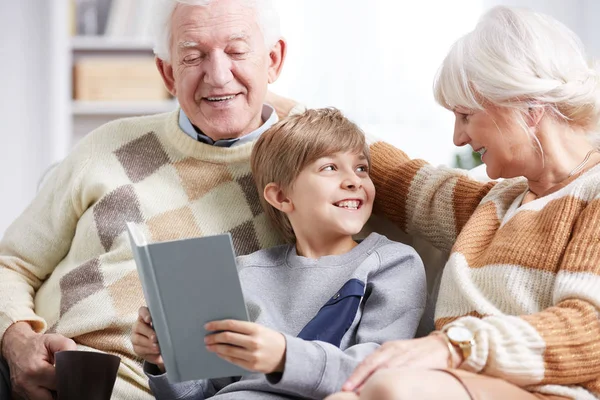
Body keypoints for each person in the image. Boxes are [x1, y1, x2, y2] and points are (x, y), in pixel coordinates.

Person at [0, 0, 298, 398]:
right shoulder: (106, 145)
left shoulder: (306, 173)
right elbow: (11, 263)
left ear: (273, 59)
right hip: (28, 374)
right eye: (193, 56)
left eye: (237, 51)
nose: (218, 74)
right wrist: (17, 340)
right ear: (168, 73)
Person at [321, 6, 600, 400]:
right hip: (462, 385)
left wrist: (453, 347)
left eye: (466, 115)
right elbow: (402, 177)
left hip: (553, 393)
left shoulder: (593, 194)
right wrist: (269, 108)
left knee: (393, 388)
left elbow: (591, 332)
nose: (457, 138)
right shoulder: (497, 204)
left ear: (528, 106)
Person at [131, 108, 427, 399]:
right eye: (330, 167)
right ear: (282, 196)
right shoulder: (243, 272)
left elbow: (379, 375)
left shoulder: (392, 263)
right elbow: (202, 392)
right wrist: (164, 361)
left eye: (361, 168)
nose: (355, 181)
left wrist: (284, 357)